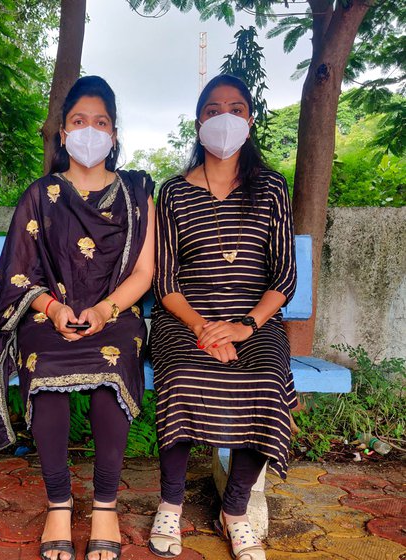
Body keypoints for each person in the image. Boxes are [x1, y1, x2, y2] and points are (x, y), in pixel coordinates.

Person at [0, 76, 155, 560]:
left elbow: (145, 271)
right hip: (50, 313)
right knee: (41, 365)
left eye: (101, 122)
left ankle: (105, 505)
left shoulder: (135, 192)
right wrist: (54, 307)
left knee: (113, 368)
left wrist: (105, 309)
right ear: (63, 134)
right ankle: (59, 504)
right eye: (79, 122)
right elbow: (18, 274)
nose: (90, 131)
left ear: (114, 131)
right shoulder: (40, 194)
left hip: (117, 312)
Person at [147, 74, 297, 560]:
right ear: (198, 124)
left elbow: (285, 276)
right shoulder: (172, 193)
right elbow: (165, 281)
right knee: (183, 373)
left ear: (249, 122)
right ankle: (170, 502)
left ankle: (234, 509)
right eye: (213, 110)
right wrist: (202, 329)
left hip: (253, 322)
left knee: (267, 378)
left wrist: (244, 326)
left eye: (236, 109)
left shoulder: (271, 187)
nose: (224, 118)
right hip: (184, 320)